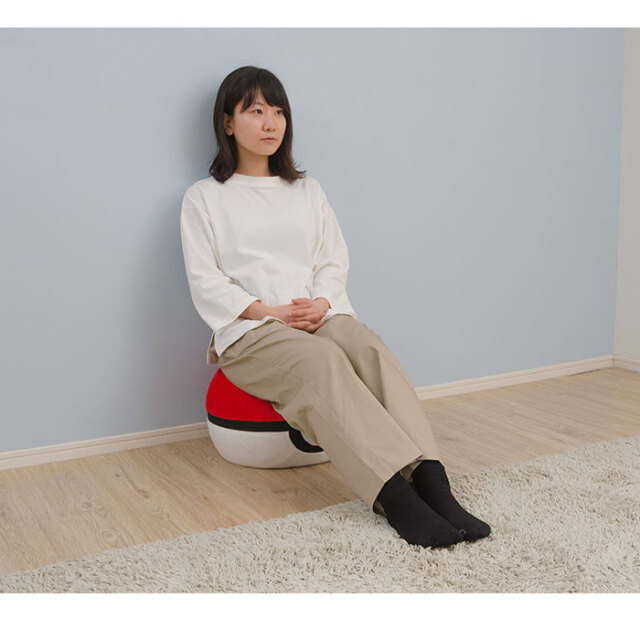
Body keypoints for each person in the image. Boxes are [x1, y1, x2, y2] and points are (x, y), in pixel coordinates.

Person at [180, 65, 491, 549]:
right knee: (322, 361)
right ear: (227, 123)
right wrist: (271, 313)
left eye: (278, 111)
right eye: (256, 111)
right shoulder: (204, 198)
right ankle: (396, 498)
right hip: (251, 331)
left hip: (314, 315)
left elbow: (332, 258)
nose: (270, 123)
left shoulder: (308, 191)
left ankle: (433, 483)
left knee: (365, 345)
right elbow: (205, 280)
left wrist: (322, 303)